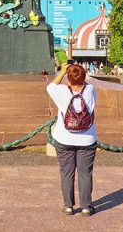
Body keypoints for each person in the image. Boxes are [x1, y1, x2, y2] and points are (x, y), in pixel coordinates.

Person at [46, 63, 97, 217]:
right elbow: (85, 83)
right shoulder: (90, 89)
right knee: (85, 173)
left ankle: (68, 206)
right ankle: (86, 207)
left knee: (66, 172)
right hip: (87, 139)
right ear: (84, 77)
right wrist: (77, 73)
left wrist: (63, 71)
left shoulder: (60, 91)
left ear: (68, 78)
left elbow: (50, 87)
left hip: (64, 138)